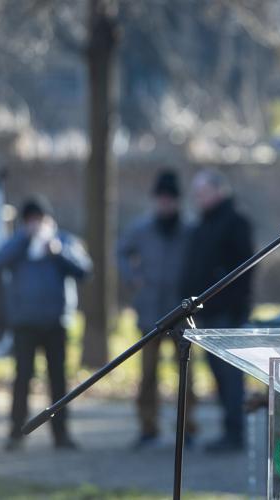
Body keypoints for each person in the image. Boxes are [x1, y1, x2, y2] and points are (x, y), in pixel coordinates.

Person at [0, 195, 92, 451]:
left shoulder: (64, 241)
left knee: (58, 380)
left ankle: (61, 434)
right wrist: (24, 239)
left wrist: (59, 252)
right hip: (24, 323)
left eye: (40, 219)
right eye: (31, 220)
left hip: (55, 322)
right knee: (22, 378)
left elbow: (84, 270)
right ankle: (16, 433)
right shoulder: (19, 243)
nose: (36, 225)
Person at [117, 170, 197, 448]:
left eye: (169, 200)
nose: (165, 204)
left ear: (177, 201)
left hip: (182, 315)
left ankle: (188, 428)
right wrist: (132, 277)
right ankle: (147, 427)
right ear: (155, 201)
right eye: (161, 199)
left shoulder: (190, 230)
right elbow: (122, 252)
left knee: (186, 374)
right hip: (150, 313)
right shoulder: (140, 229)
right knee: (148, 374)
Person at [180, 169, 254, 452]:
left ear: (218, 191)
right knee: (218, 375)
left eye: (203, 192)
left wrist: (234, 308)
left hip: (228, 314)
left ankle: (235, 432)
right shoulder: (201, 225)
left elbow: (244, 271)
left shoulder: (236, 223)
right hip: (206, 314)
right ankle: (228, 430)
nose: (198, 198)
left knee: (230, 376)